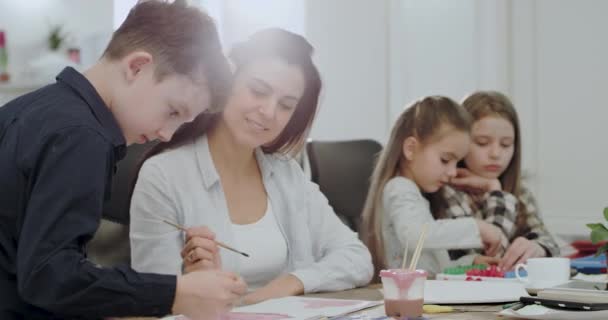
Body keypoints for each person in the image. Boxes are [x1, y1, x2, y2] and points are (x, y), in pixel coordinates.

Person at [0, 1, 246, 319]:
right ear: (137, 67)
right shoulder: (83, 138)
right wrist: (175, 293)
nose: (168, 134)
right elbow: (48, 278)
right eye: (173, 111)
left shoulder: (31, 109)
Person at [129, 28, 374, 305]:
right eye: (258, 91)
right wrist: (196, 287)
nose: (269, 112)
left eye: (286, 105)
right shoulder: (163, 176)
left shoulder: (287, 173)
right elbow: (151, 299)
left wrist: (290, 283)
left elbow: (357, 257)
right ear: (227, 84)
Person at [361, 96, 504, 277]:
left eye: (456, 162)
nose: (453, 172)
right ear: (411, 149)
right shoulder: (399, 188)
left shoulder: (414, 194)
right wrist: (477, 228)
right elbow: (414, 236)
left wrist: (469, 263)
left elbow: (431, 267)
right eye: (445, 160)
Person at [440, 91, 560, 271]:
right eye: (482, 143)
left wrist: (539, 248)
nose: (495, 154)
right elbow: (490, 257)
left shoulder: (521, 192)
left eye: (506, 144)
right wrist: (495, 190)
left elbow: (550, 244)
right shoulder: (446, 192)